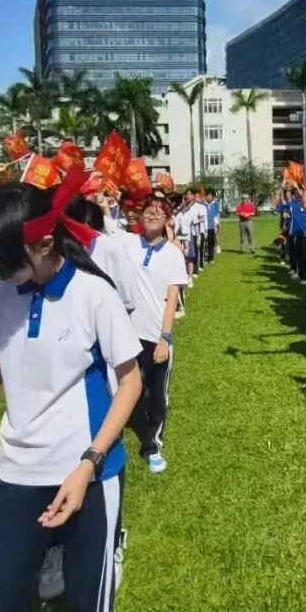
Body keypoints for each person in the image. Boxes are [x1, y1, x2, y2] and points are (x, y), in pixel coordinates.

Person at [0, 172, 142, 612]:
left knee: (84, 603)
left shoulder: (94, 294)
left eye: (4, 265)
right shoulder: (4, 294)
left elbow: (130, 381)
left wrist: (90, 463)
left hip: (87, 471)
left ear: (43, 245)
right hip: (15, 468)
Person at [115, 196, 187, 473]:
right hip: (125, 332)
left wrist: (165, 339)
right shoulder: (126, 242)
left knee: (156, 394)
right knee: (123, 388)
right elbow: (97, 227)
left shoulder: (173, 254)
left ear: (168, 219)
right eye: (148, 210)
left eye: (159, 212)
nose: (152, 215)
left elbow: (171, 301)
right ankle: (114, 433)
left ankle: (152, 443)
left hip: (154, 333)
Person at [205, 189, 220, 262]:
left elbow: (216, 216)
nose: (209, 197)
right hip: (204, 227)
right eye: (207, 196)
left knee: (211, 242)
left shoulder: (214, 205)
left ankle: (211, 258)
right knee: (205, 242)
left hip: (211, 226)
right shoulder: (203, 205)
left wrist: (216, 225)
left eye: (210, 196)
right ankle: (205, 255)